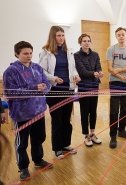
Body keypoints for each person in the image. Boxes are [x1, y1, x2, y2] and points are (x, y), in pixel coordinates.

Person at [3, 41, 52, 181]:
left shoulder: (37, 67)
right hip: (21, 114)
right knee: (21, 143)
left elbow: (46, 84)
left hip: (39, 111)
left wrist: (44, 88)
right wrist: (35, 88)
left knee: (39, 138)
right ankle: (23, 167)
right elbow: (11, 93)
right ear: (16, 54)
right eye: (25, 53)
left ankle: (38, 160)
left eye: (30, 53)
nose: (29, 56)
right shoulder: (11, 71)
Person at [39, 26, 81, 159]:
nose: (61, 38)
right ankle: (57, 148)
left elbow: (72, 69)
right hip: (54, 90)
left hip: (68, 89)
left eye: (63, 35)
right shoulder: (45, 52)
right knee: (56, 120)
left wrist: (76, 76)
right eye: (58, 35)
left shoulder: (68, 51)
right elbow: (42, 71)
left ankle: (66, 144)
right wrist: (54, 78)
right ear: (53, 36)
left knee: (66, 119)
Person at [106, 27, 126, 148]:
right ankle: (113, 135)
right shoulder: (111, 49)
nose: (121, 36)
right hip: (115, 82)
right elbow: (109, 68)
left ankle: (121, 130)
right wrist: (118, 75)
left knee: (124, 108)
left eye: (123, 34)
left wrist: (120, 71)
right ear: (116, 36)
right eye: (119, 35)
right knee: (114, 109)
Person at [74, 34, 104, 147]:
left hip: (94, 86)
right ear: (80, 43)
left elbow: (98, 67)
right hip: (83, 86)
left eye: (88, 41)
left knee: (93, 110)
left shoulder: (95, 54)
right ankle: (86, 135)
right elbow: (81, 71)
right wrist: (93, 73)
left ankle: (92, 133)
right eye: (84, 41)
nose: (87, 43)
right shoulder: (76, 55)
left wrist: (99, 72)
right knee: (84, 111)